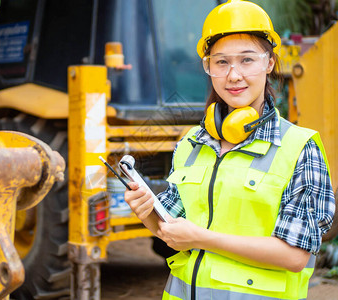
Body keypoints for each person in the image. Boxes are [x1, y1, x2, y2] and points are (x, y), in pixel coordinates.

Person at [124, 0, 336, 299]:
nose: (233, 75)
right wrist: (146, 210)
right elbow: (171, 233)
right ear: (208, 68)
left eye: (247, 60)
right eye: (221, 62)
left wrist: (202, 238)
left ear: (269, 63)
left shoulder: (299, 148)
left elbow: (294, 256)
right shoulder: (191, 144)